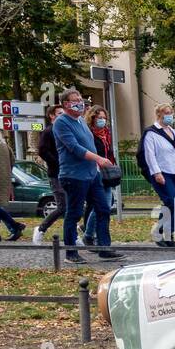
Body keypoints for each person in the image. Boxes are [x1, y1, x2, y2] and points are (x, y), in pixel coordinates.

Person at [51, 88, 119, 263]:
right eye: (75, 100)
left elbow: (90, 144)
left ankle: (104, 248)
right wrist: (99, 159)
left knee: (103, 209)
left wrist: (97, 163)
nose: (80, 103)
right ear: (66, 104)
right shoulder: (61, 123)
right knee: (74, 213)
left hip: (91, 174)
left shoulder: (81, 121)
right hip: (73, 175)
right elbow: (75, 148)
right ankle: (71, 253)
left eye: (80, 99)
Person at [141, 104, 175, 246]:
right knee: (172, 202)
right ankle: (159, 233)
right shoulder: (151, 133)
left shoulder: (172, 131)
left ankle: (169, 236)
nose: (169, 115)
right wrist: (156, 173)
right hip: (161, 172)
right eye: (166, 113)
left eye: (171, 112)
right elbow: (149, 155)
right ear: (159, 114)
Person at [79, 105, 114, 248]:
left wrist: (113, 167)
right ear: (92, 118)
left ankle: (89, 235)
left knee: (105, 205)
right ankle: (90, 236)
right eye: (99, 118)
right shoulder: (89, 134)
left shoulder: (106, 134)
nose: (102, 121)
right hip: (95, 172)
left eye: (104, 118)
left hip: (106, 173)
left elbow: (109, 153)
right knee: (102, 206)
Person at [33, 106, 66, 245]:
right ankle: (41, 229)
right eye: (59, 113)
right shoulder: (48, 132)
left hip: (69, 173)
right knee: (62, 207)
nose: (62, 116)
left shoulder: (65, 130)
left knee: (73, 207)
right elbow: (42, 151)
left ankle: (73, 234)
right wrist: (57, 162)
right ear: (52, 116)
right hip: (56, 174)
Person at [0, 135, 24, 241]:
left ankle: (14, 225)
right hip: (4, 178)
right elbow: (13, 159)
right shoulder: (3, 143)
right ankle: (14, 227)